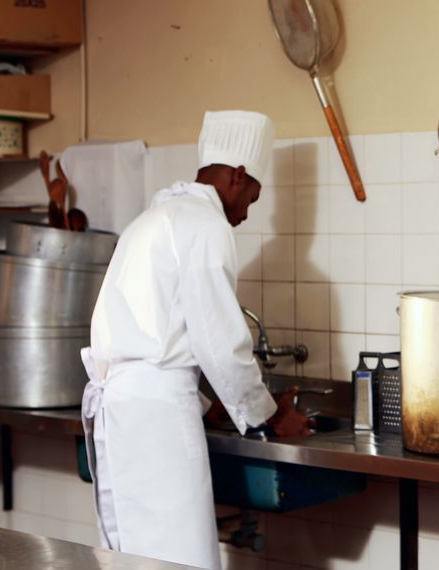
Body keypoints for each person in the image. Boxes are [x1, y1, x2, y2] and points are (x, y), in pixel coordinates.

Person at [79, 110, 310, 570]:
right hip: (158, 422)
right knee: (181, 558)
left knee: (136, 557)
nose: (246, 213)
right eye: (251, 197)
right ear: (237, 177)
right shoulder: (205, 225)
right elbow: (219, 340)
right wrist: (267, 414)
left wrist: (211, 406)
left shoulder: (155, 218)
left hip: (125, 413)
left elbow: (150, 341)